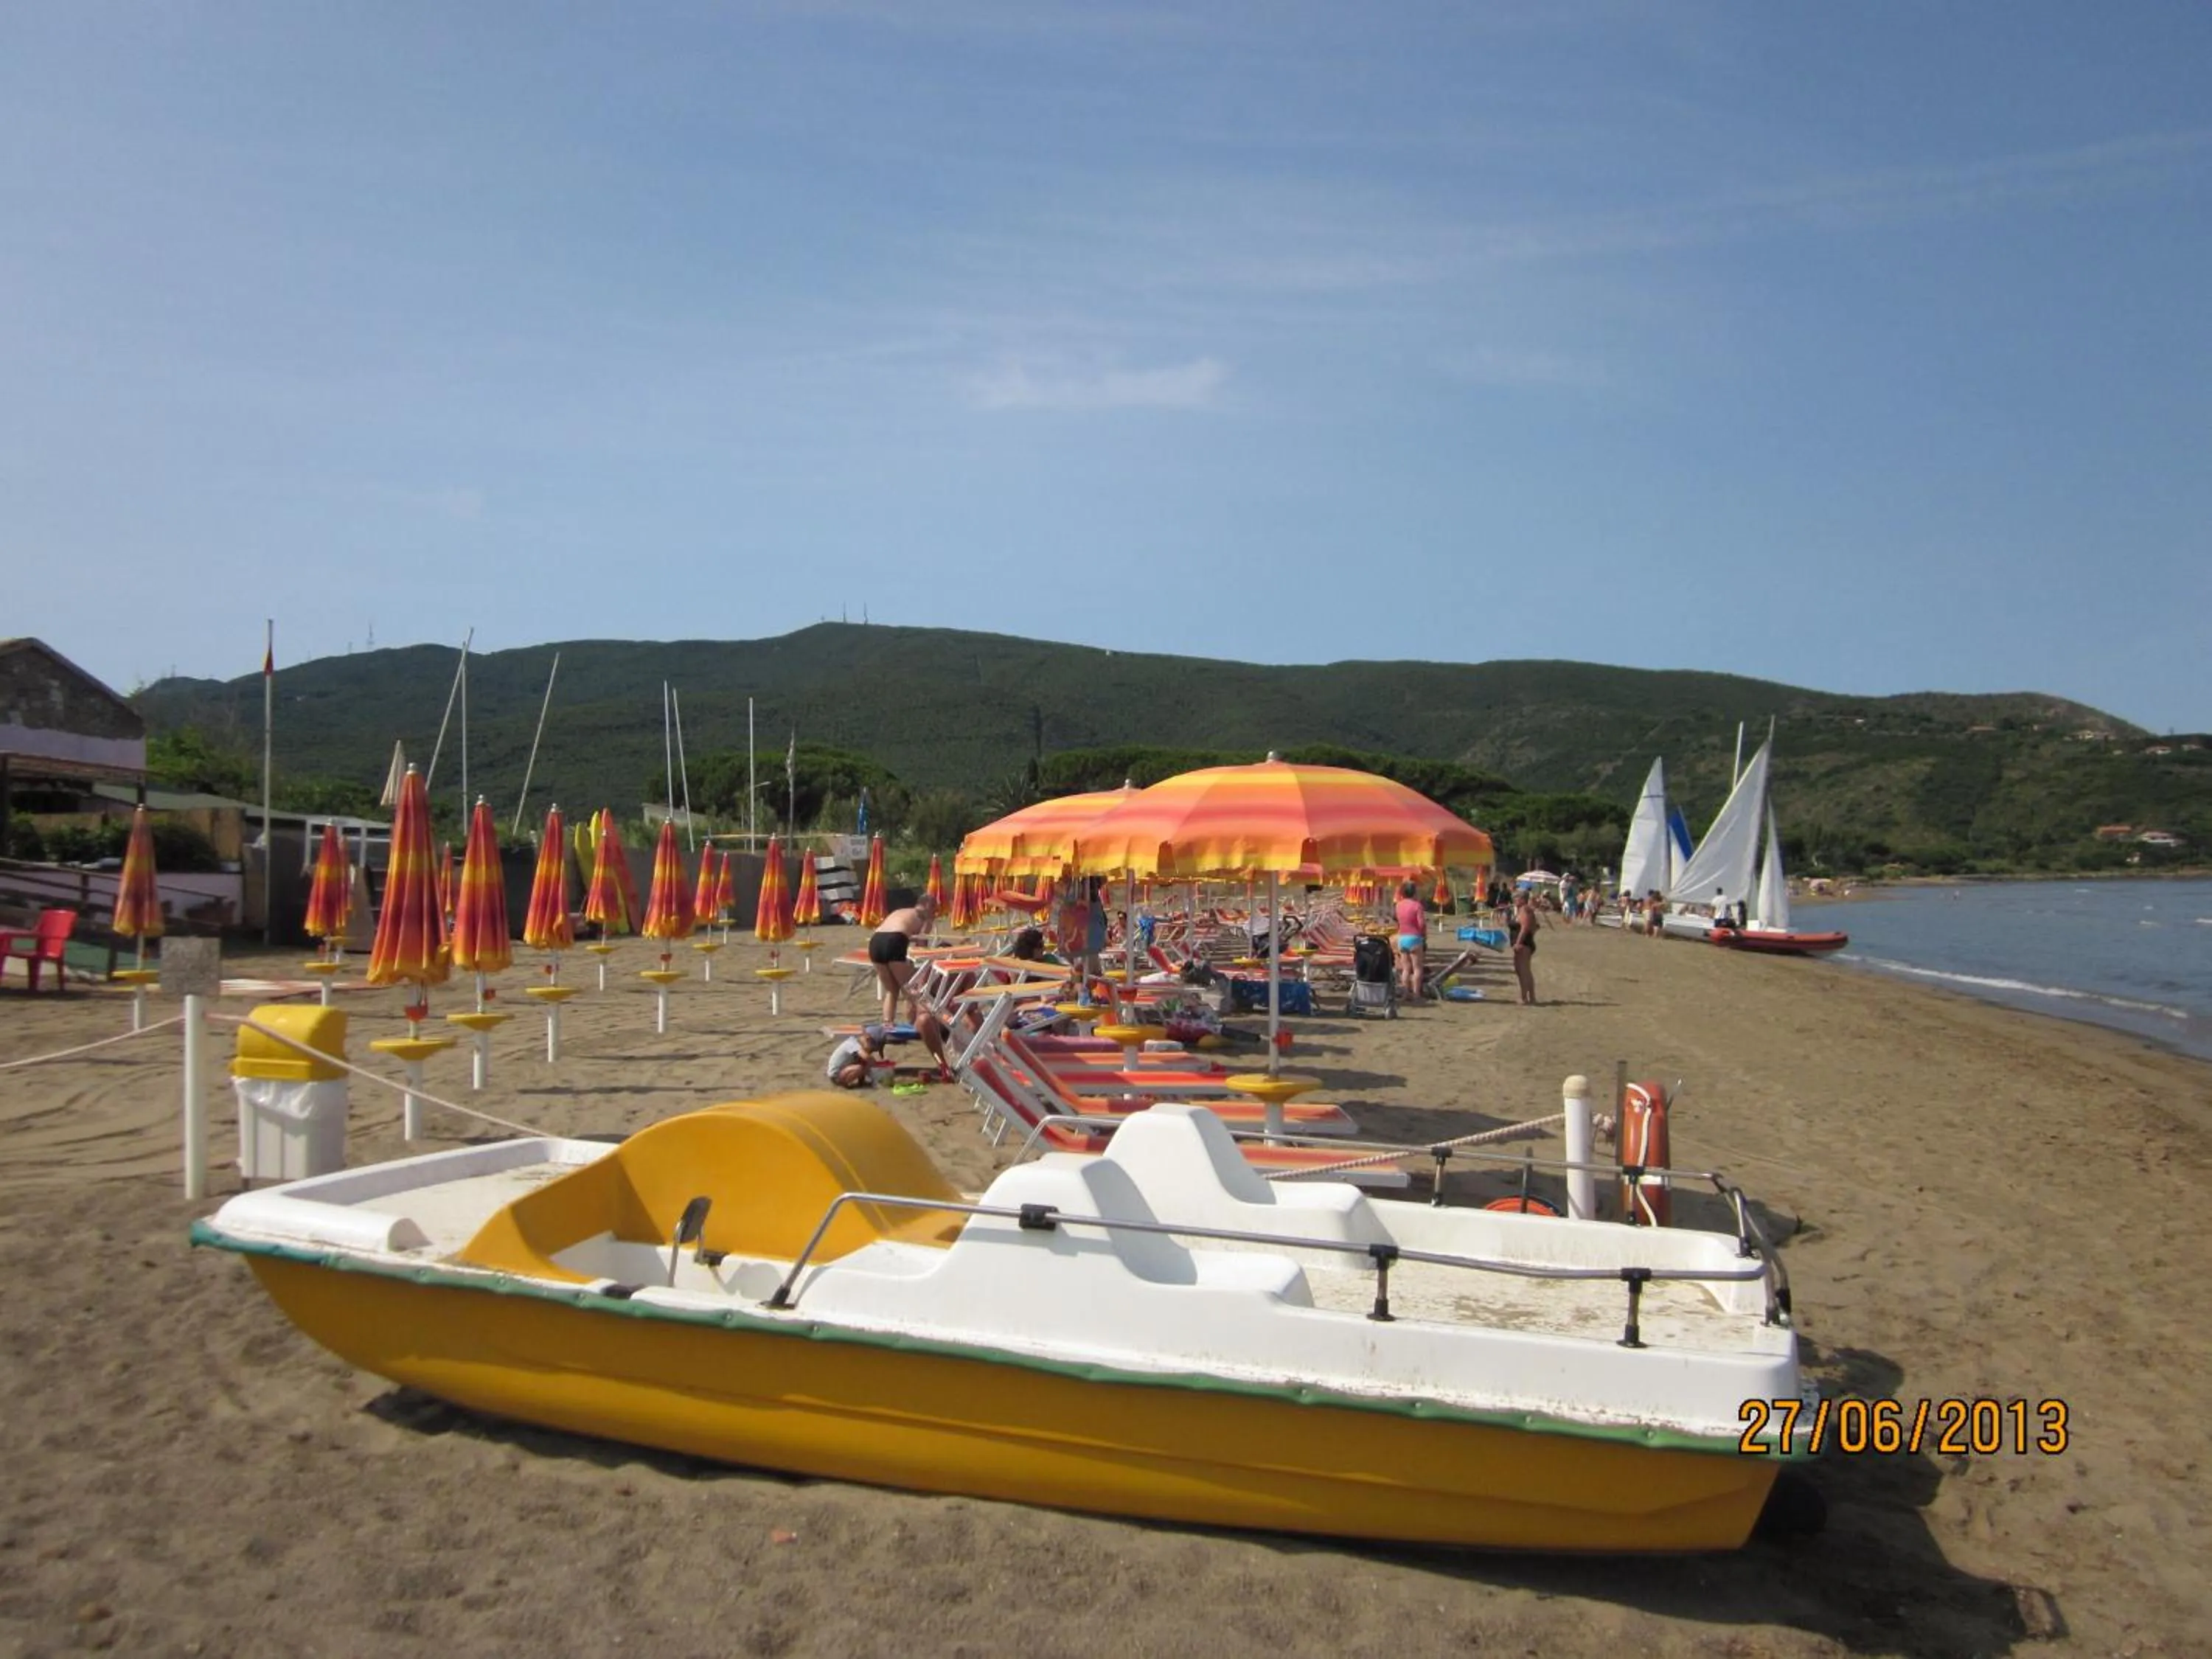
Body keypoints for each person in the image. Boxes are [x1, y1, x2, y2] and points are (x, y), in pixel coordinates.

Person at [868, 894, 935, 1026]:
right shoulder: (924, 917)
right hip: (894, 940)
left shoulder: (901, 912)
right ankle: (916, 1023)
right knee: (910, 988)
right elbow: (922, 946)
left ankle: (888, 1023)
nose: (935, 912)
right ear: (929, 906)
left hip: (875, 941)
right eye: (935, 909)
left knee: (891, 990)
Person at [1392, 880, 1427, 1000]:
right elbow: (1421, 924)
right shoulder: (1417, 906)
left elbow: (1398, 921)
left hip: (1402, 938)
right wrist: (1423, 935)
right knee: (1417, 968)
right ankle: (1416, 994)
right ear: (1414, 892)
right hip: (1414, 937)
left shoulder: (1398, 905)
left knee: (1406, 969)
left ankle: (1405, 993)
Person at [1511, 889, 1540, 1005]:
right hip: (1525, 943)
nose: (1514, 900)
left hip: (1524, 944)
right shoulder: (1523, 910)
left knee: (1523, 971)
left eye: (1516, 898)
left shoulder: (1524, 910)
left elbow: (1525, 927)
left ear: (1522, 899)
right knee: (1524, 971)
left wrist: (1518, 943)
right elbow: (1536, 926)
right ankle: (1531, 997)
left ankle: (1524, 998)